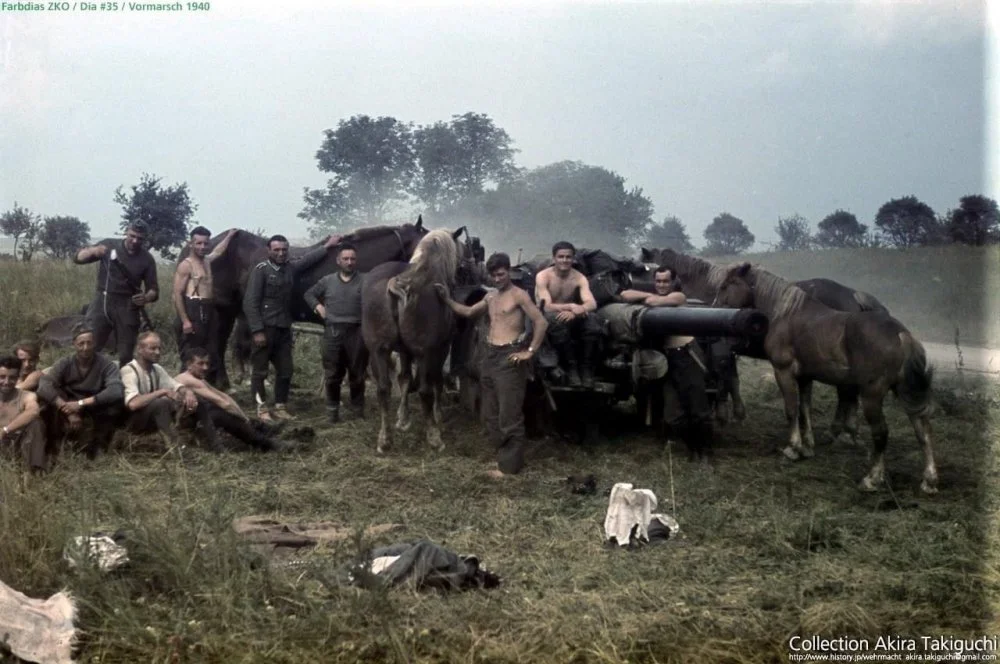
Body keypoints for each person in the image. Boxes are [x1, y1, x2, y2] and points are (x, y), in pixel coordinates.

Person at [435, 252, 549, 478]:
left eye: (501, 274)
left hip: (510, 357)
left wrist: (529, 352)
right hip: (489, 356)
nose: (497, 279)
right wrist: (446, 299)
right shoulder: (490, 297)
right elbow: (468, 312)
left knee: (509, 415)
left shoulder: (519, 295)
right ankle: (503, 455)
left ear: (508, 272)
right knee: (489, 414)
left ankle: (509, 469)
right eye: (493, 276)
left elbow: (541, 322)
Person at [243, 233, 340, 421]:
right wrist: (257, 330)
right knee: (260, 371)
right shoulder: (261, 270)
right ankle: (261, 408)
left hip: (283, 328)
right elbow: (250, 302)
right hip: (265, 328)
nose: (281, 253)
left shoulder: (289, 268)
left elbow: (306, 260)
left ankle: (280, 406)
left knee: (286, 370)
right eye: (277, 250)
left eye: (284, 250)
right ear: (268, 251)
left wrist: (327, 246)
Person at [622, 266, 715, 461]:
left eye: (666, 281)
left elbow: (654, 301)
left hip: (687, 355)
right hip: (665, 359)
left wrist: (648, 298)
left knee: (698, 408)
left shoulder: (678, 297)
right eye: (658, 281)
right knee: (673, 415)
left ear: (673, 282)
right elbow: (625, 294)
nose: (662, 285)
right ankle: (691, 447)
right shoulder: (653, 294)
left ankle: (704, 453)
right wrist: (647, 295)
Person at [74, 220, 159, 366]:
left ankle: (124, 384)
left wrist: (146, 298)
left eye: (140, 238)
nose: (135, 240)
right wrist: (93, 251)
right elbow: (78, 258)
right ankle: (84, 379)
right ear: (126, 231)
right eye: (132, 235)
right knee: (90, 344)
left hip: (128, 305)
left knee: (126, 352)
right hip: (103, 301)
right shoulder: (109, 245)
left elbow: (154, 290)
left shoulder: (147, 259)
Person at [174, 347, 290, 453]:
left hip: (194, 416)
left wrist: (243, 416)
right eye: (200, 364)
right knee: (220, 414)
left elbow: (224, 396)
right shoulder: (188, 380)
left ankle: (264, 429)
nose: (205, 368)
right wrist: (244, 419)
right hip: (183, 423)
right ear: (189, 364)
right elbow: (224, 404)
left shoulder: (197, 378)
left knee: (220, 410)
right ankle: (265, 443)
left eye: (207, 363)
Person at [302, 242, 368, 424]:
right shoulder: (328, 280)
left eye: (352, 259)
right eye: (345, 259)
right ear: (338, 261)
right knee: (332, 374)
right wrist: (318, 307)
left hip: (357, 331)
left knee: (357, 374)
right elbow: (309, 294)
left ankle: (357, 411)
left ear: (356, 261)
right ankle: (332, 412)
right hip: (333, 332)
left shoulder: (365, 280)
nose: (349, 262)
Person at [36, 323, 124, 458]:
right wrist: (66, 408)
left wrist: (81, 403)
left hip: (93, 404)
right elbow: (44, 385)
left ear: (95, 343)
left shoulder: (106, 364)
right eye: (81, 343)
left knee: (114, 404)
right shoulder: (65, 363)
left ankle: (100, 445)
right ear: (74, 344)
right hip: (67, 403)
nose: (85, 348)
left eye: (89, 343)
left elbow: (115, 389)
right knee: (46, 402)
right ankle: (52, 445)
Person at [172, 226, 236, 386]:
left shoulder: (207, 260)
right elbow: (177, 295)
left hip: (208, 309)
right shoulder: (186, 265)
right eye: (198, 243)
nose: (202, 247)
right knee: (191, 355)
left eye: (205, 243)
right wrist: (185, 320)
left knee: (211, 353)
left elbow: (218, 252)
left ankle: (207, 391)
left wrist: (229, 236)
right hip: (193, 309)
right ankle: (183, 392)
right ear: (191, 244)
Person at [533, 241, 603, 387]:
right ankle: (571, 368)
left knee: (593, 322)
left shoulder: (579, 278)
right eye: (561, 257)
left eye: (568, 257)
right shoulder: (543, 276)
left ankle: (586, 369)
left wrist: (579, 311)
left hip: (572, 317)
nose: (564, 260)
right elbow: (546, 306)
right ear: (554, 258)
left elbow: (591, 303)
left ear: (573, 259)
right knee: (558, 321)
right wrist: (572, 306)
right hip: (549, 316)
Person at [120, 331, 201, 447]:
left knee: (194, 400)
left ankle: (209, 442)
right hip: (133, 423)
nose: (157, 352)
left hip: (151, 420)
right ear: (139, 349)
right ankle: (175, 446)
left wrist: (188, 392)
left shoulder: (156, 368)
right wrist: (162, 392)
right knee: (161, 403)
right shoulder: (129, 370)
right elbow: (133, 404)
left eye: (159, 348)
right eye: (152, 349)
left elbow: (175, 385)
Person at [0, 355, 47, 473]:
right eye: (2, 377)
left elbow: (33, 411)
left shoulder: (27, 396)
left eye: (12, 378)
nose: (6, 382)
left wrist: (5, 430)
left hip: (18, 447)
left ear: (18, 378)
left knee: (36, 423)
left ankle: (34, 471)